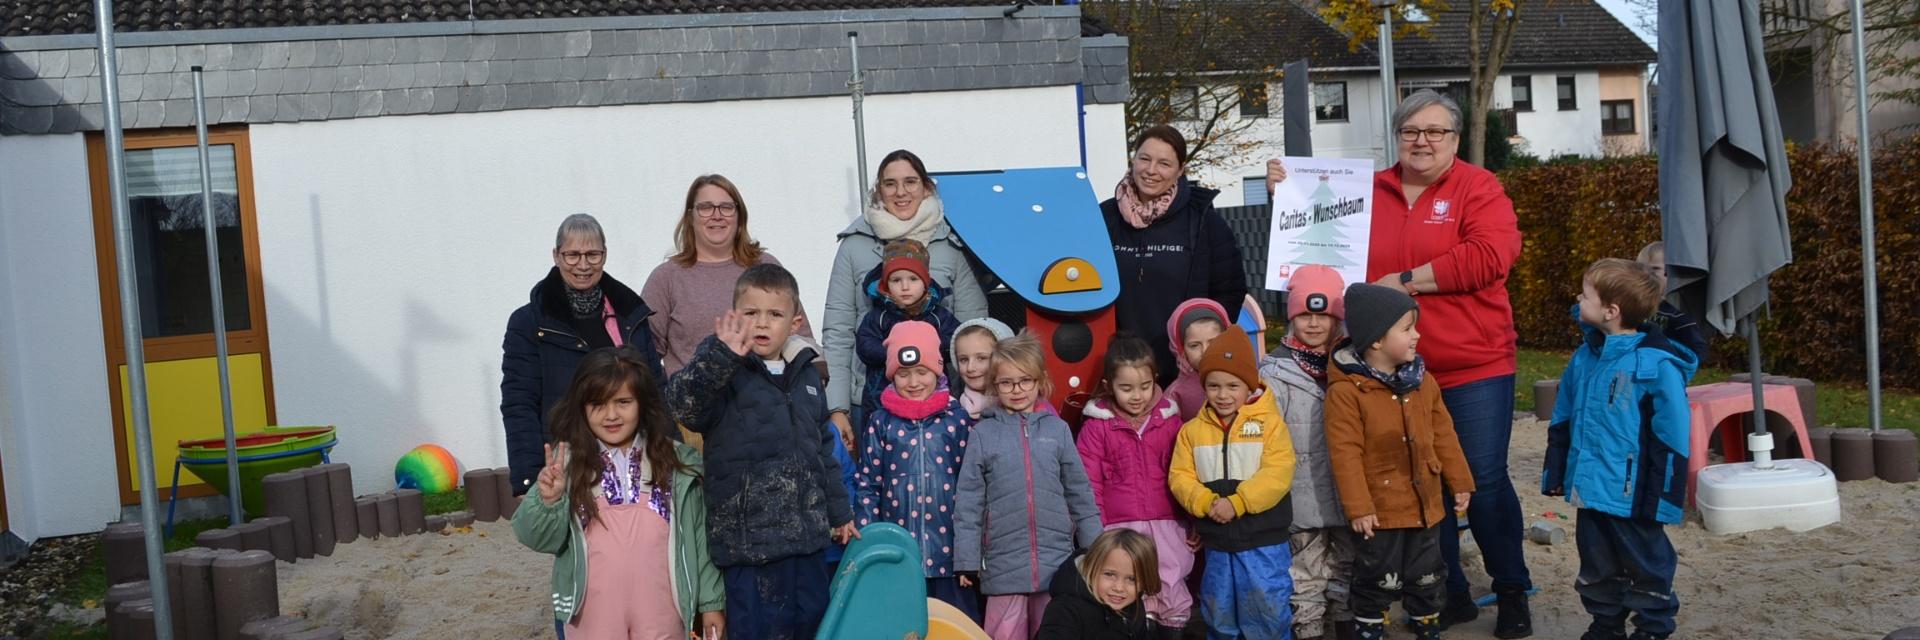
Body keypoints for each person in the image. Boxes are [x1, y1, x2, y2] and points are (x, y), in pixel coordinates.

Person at [1268, 89, 1532, 635]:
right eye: (1412, 130)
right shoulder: (1366, 190)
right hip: (1386, 373)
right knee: (1416, 484)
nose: (1422, 141)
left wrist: (1405, 282)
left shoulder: (1478, 188)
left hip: (1471, 365)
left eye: (1436, 131)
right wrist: (1289, 198)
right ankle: (1447, 592)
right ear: (1397, 136)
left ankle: (1511, 590)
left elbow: (1490, 256)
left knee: (1479, 479)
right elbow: (1325, 252)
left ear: (1455, 139)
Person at [664, 263, 857, 640]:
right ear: (735, 316)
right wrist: (721, 357)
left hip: (807, 544)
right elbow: (684, 405)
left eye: (774, 314)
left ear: (795, 322)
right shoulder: (721, 367)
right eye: (751, 313)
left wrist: (839, 512)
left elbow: (823, 450)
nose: (762, 323)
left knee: (813, 628)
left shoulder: (806, 374)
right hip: (749, 548)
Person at [512, 347, 724, 640]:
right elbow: (536, 538)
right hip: (593, 617)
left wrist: (711, 603)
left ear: (643, 404)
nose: (611, 415)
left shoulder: (678, 464)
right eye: (598, 404)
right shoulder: (567, 466)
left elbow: (700, 542)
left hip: (662, 613)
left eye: (623, 402)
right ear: (581, 408)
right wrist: (549, 501)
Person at [1542, 259, 1697, 640]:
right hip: (1591, 490)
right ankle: (1606, 624)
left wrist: (1662, 496)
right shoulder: (1585, 358)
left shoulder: (1654, 366)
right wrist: (1557, 470)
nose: (1578, 298)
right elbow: (1562, 416)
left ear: (1611, 311)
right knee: (1595, 564)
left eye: (1586, 294)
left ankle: (1653, 627)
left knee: (1647, 563)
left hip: (1634, 494)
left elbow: (1673, 435)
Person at [1324, 283, 1477, 640]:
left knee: (1428, 578)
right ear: (1376, 340)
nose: (1417, 335)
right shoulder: (1347, 392)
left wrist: (1461, 481)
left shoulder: (1424, 382)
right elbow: (1345, 453)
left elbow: (1443, 433)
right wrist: (1359, 508)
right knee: (1377, 580)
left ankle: (1427, 629)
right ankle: (1371, 631)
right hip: (1380, 513)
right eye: (1407, 329)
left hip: (1425, 504)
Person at [826, 150, 989, 449]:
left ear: (926, 187)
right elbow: (838, 331)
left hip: (940, 395)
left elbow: (972, 329)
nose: (901, 192)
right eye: (890, 184)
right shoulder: (854, 246)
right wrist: (837, 408)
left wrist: (976, 394)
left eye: (910, 182)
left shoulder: (951, 247)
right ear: (879, 191)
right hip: (869, 397)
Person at [502, 214, 664, 498]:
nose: (583, 264)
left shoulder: (631, 314)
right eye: (572, 255)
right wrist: (528, 477)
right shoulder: (528, 323)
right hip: (568, 463)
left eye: (592, 254)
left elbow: (656, 390)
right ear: (556, 256)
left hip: (635, 459)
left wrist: (668, 450)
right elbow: (519, 403)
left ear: (605, 255)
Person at [954, 333, 1104, 640]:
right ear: (995, 385)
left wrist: (1095, 549)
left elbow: (1080, 493)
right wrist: (967, 560)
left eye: (1025, 380)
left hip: (1056, 567)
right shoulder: (983, 433)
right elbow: (969, 502)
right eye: (1007, 382)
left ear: (1040, 381)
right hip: (1002, 566)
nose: (1017, 390)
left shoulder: (1058, 430)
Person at [1169, 329, 1298, 640]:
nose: (1223, 394)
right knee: (1219, 611)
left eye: (1232, 386)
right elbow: (1180, 476)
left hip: (1263, 541)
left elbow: (1278, 472)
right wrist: (1206, 503)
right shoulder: (1192, 431)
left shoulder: (1269, 424)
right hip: (1219, 542)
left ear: (1248, 385)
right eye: (1213, 386)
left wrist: (1237, 502)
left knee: (1268, 612)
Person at [854, 320, 981, 621]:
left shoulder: (957, 419)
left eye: (922, 372)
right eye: (904, 374)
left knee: (955, 626)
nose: (913, 382)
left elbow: (973, 487)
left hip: (950, 558)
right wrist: (872, 544)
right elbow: (868, 485)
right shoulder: (881, 422)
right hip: (899, 556)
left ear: (937, 372)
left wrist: (971, 553)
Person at [1103, 124, 1249, 386]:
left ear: (1181, 170)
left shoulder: (1204, 222)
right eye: (1144, 159)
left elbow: (1229, 291)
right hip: (1122, 373)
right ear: (1133, 160)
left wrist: (1202, 350)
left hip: (1185, 373)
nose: (1151, 170)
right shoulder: (1104, 218)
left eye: (1164, 163)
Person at [1257, 265, 1356, 640]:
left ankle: (1346, 626)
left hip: (1349, 496)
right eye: (1304, 315)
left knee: (1348, 566)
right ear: (1291, 317)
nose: (1314, 324)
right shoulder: (1274, 373)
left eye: (1324, 315)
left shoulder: (1352, 366)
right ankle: (1309, 630)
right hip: (1302, 497)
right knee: (1306, 574)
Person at [1075, 333, 1196, 633]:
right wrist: (1095, 532)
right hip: (1119, 527)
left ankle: (1172, 630)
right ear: (1108, 386)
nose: (1137, 396)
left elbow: (1187, 473)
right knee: (1127, 587)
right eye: (1126, 388)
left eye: (1144, 386)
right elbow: (1088, 484)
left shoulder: (1170, 421)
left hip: (1168, 523)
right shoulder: (1097, 427)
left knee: (1170, 581)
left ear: (1155, 379)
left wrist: (1194, 520)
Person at [643, 174, 811, 378]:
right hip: (697, 405)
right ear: (691, 216)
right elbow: (644, 355)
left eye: (726, 207)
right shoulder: (666, 278)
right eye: (706, 207)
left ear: (739, 215)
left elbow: (801, 338)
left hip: (766, 403)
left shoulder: (766, 265)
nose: (717, 215)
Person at [857, 238, 962, 413]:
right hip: (882, 398)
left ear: (925, 282)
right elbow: (864, 345)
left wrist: (929, 347)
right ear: (886, 284)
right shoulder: (879, 316)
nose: (905, 287)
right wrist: (893, 352)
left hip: (931, 395)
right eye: (896, 280)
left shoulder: (937, 315)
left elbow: (957, 339)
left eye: (913, 279)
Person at [1036, 528, 1166, 640]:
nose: (1119, 588)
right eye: (1109, 574)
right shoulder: (1065, 609)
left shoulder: (1135, 606)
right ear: (1090, 568)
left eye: (1131, 579)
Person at [1634, 242, 1709, 359]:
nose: (1647, 275)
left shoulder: (1678, 311)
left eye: (1655, 269)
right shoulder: (1634, 305)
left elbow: (1699, 349)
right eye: (1642, 270)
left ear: (1671, 271)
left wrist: (1675, 364)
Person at [1167, 298, 1233, 423]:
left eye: (1213, 342)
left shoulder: (1244, 379)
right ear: (1180, 349)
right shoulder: (1176, 394)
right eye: (1194, 345)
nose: (1205, 352)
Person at [951, 318, 1016, 419]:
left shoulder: (1027, 405)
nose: (970, 368)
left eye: (981, 358)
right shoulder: (953, 411)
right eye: (963, 360)